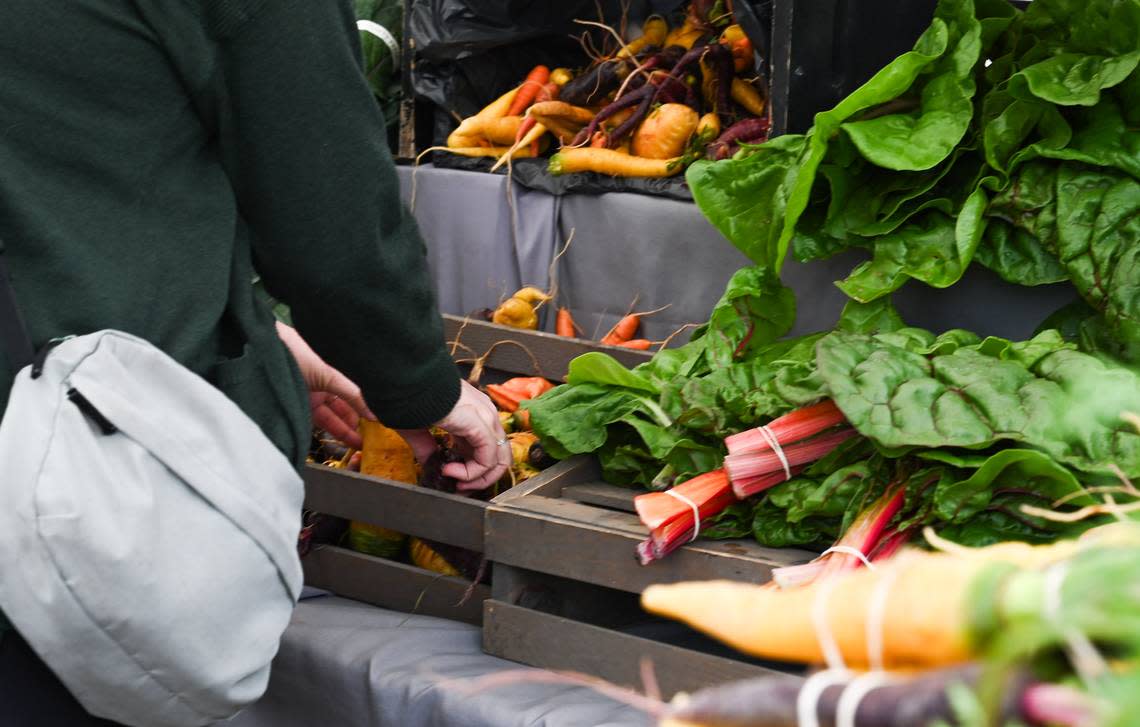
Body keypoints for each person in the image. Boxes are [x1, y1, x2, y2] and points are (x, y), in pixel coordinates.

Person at [0, 0, 507, 723]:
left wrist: (266, 334)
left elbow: (65, 163)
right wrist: (421, 385)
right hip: (76, 504)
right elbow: (334, 236)